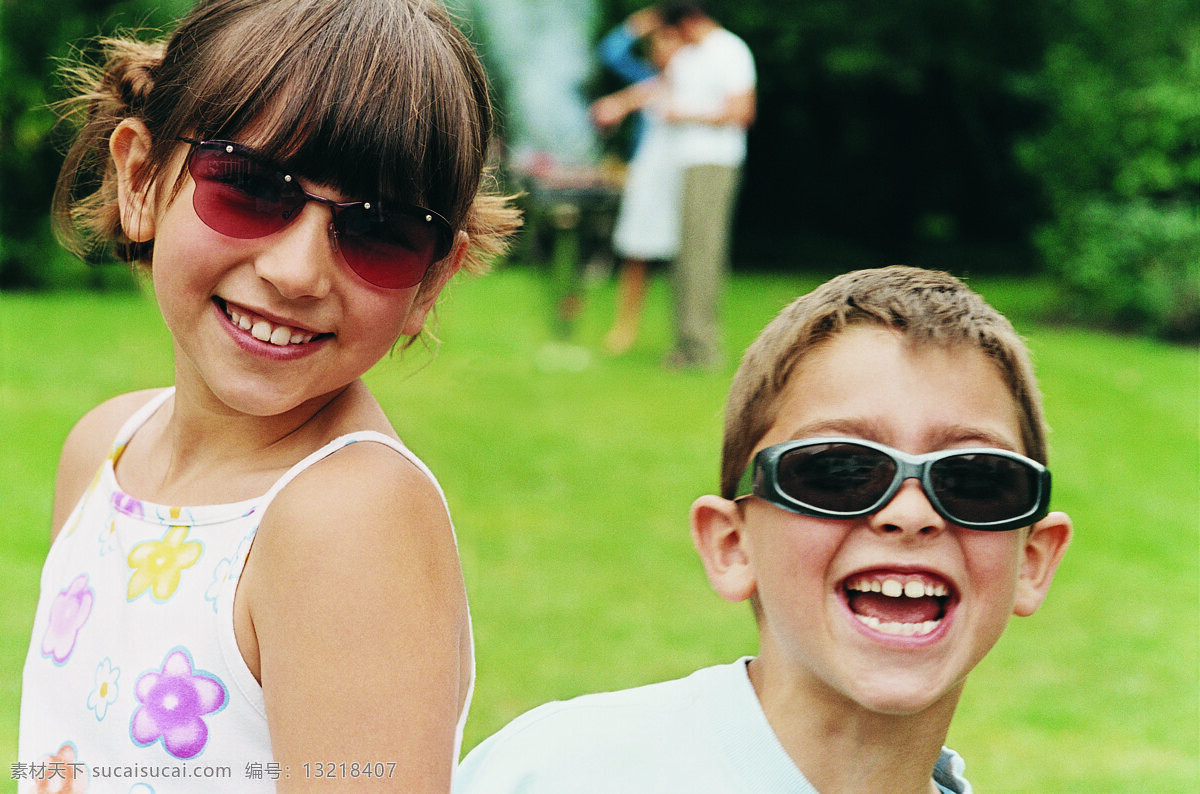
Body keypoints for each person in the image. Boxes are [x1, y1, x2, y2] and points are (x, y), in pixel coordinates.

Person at [18, 1, 520, 791]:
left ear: (432, 281)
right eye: (250, 187)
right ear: (141, 178)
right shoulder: (104, 447)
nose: (296, 272)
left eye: (380, 230)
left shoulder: (348, 520)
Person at [454, 266, 1073, 793]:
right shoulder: (562, 773)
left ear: (1033, 562)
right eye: (836, 471)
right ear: (731, 545)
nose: (910, 514)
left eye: (976, 479)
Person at [653, 1, 755, 370]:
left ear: (691, 21)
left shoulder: (730, 50)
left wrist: (686, 113)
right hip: (683, 163)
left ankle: (703, 348)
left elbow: (742, 111)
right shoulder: (688, 56)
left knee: (703, 254)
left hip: (714, 162)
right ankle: (686, 344)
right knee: (684, 256)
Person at [591, 8, 685, 355]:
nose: (662, 48)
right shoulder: (647, 75)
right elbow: (611, 52)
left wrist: (621, 102)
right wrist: (642, 22)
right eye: (657, 41)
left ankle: (684, 334)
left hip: (682, 174)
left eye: (669, 40)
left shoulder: (692, 76)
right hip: (648, 173)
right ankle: (624, 328)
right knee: (636, 251)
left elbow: (649, 94)